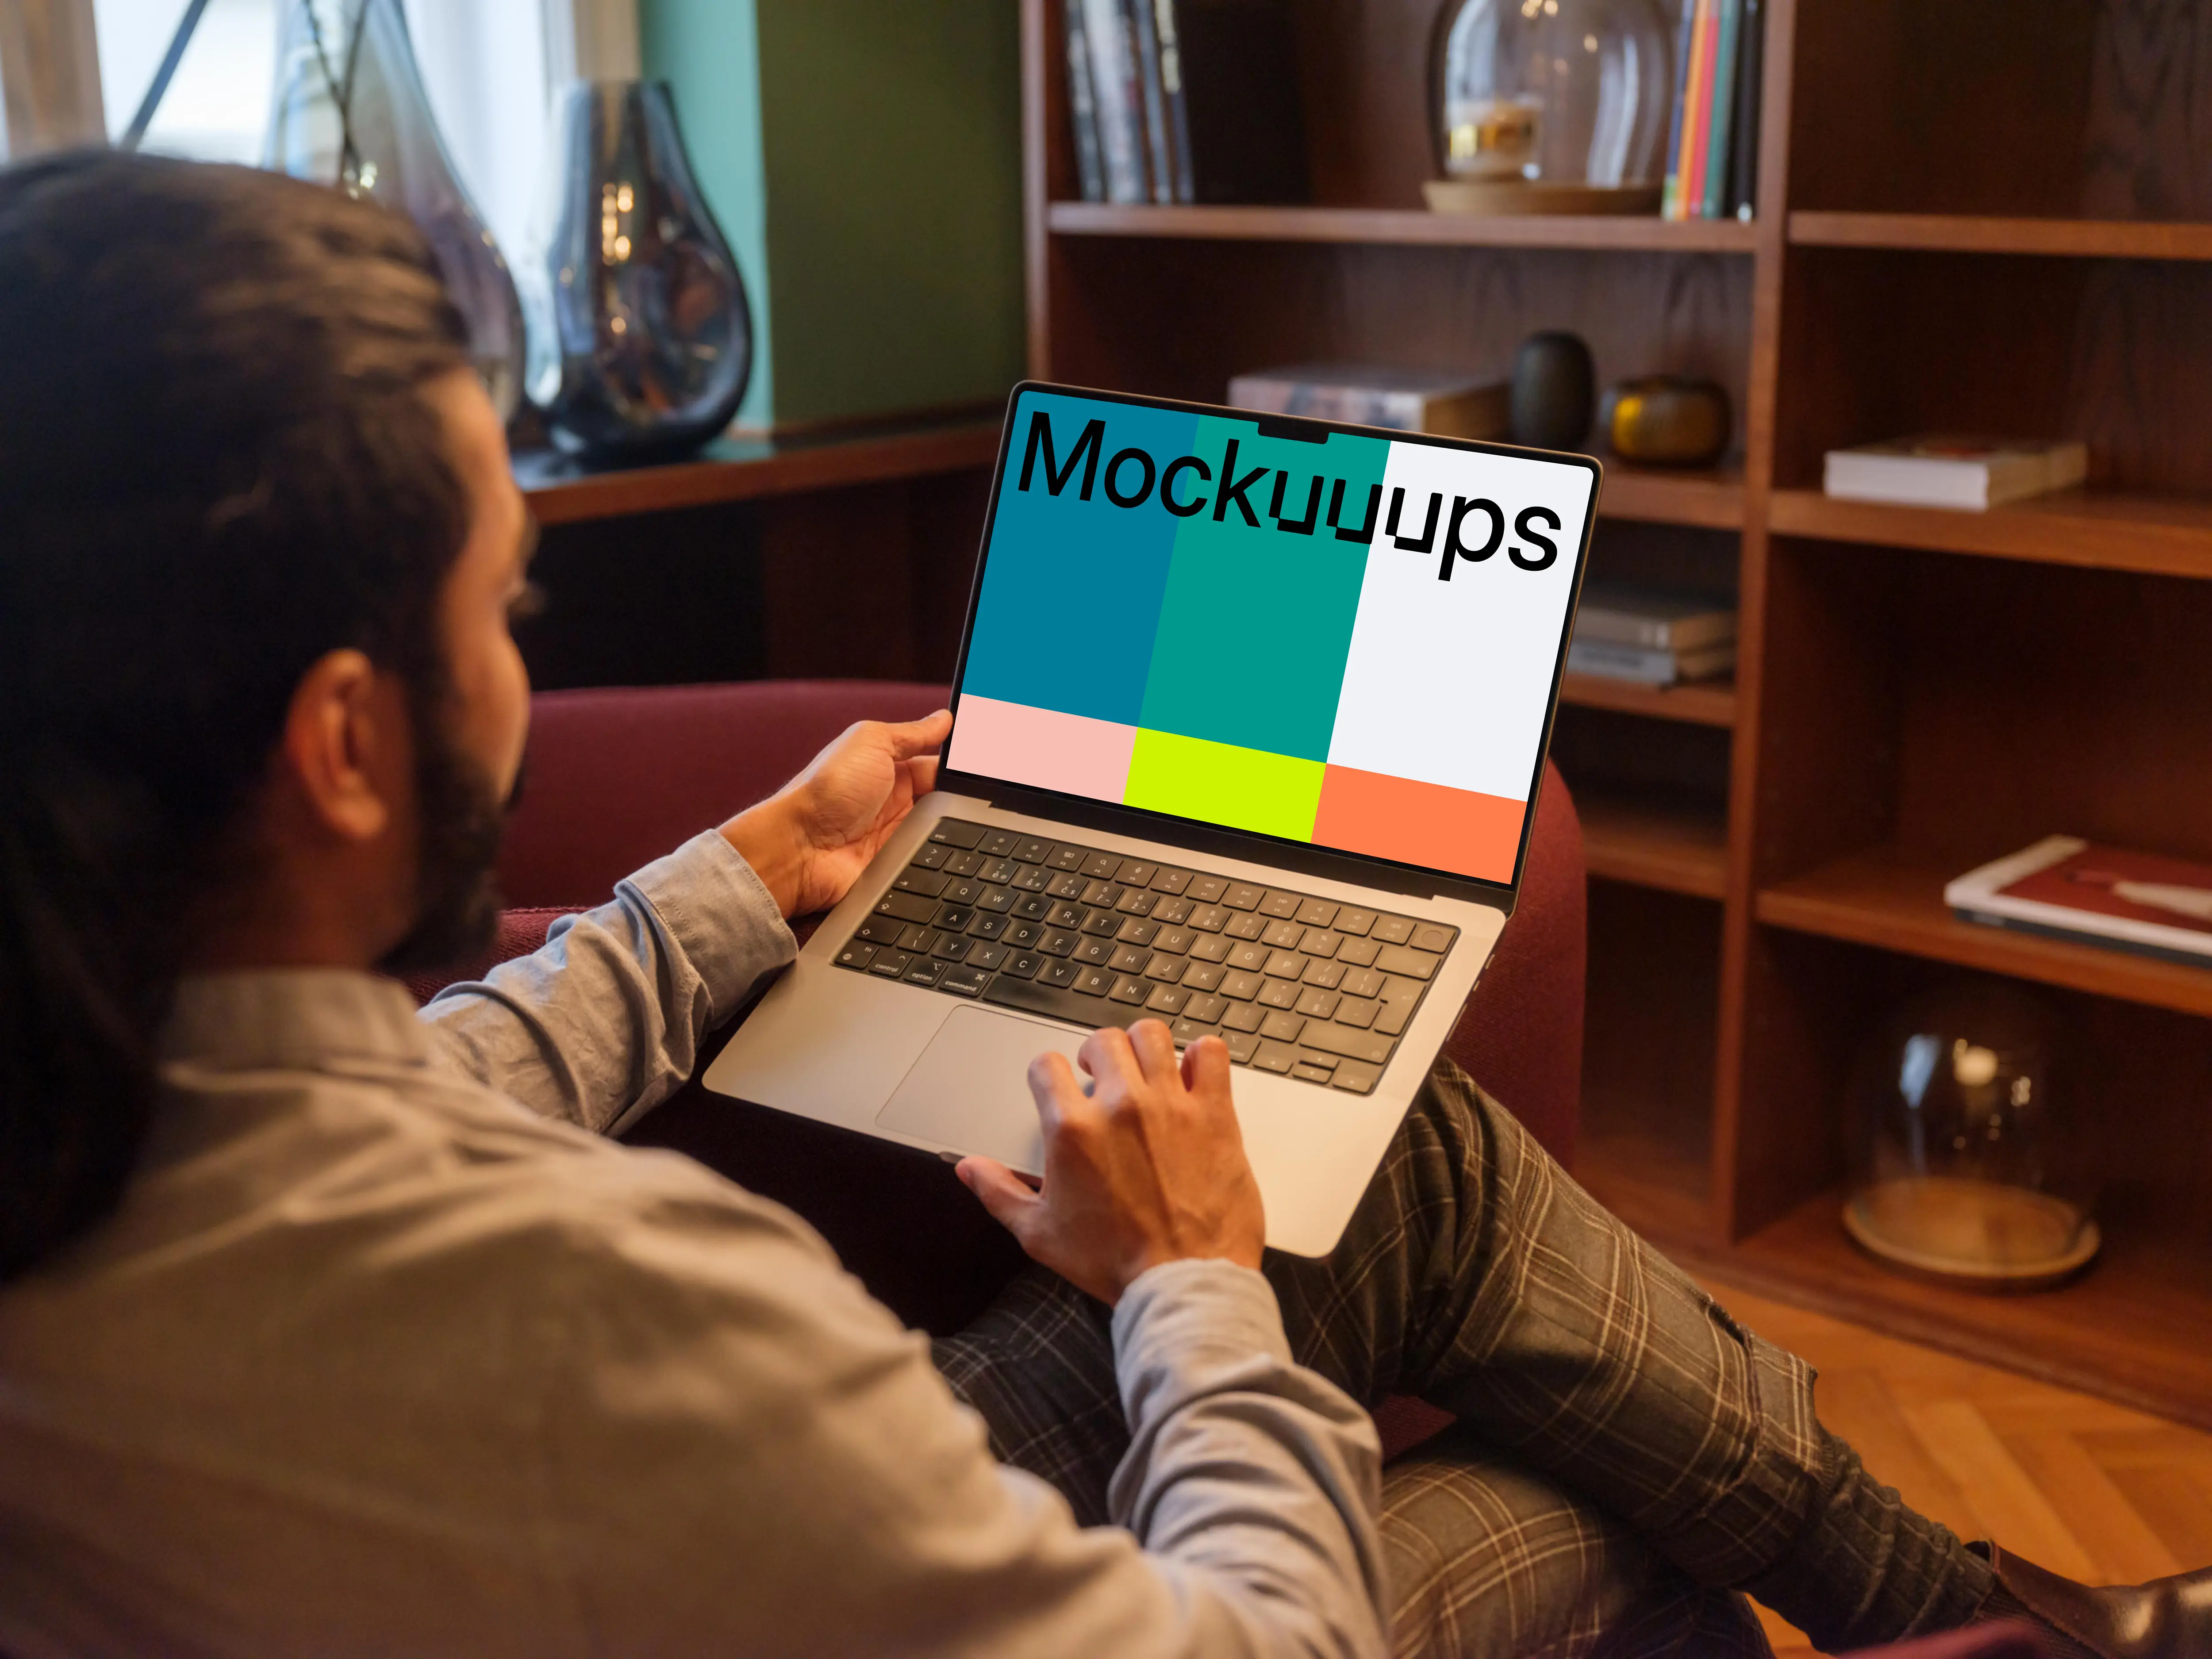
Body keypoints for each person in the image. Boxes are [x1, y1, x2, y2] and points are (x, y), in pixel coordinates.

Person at [0, 151, 2199, 1659]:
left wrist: (731, 889)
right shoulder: (615, 1310)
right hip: (682, 1537)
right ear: (345, 744)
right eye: (509, 603)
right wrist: (1186, 1283)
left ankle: (1969, 1606)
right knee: (1605, 1518)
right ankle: (1973, 1620)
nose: (526, 656)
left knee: (1414, 1188)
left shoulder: (80, 1113)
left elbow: (397, 1083)